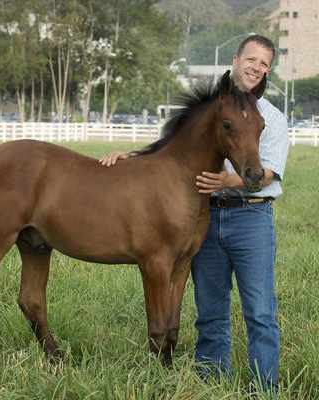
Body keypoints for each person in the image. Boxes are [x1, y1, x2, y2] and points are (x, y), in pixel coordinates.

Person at [99, 35, 289, 394]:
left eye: (264, 64)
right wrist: (131, 157)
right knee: (210, 310)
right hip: (206, 216)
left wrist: (228, 180)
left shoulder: (272, 118)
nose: (257, 68)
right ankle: (209, 381)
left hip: (251, 218)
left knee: (261, 311)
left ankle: (265, 388)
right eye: (252, 59)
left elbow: (267, 174)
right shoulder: (209, 109)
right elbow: (171, 153)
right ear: (235, 59)